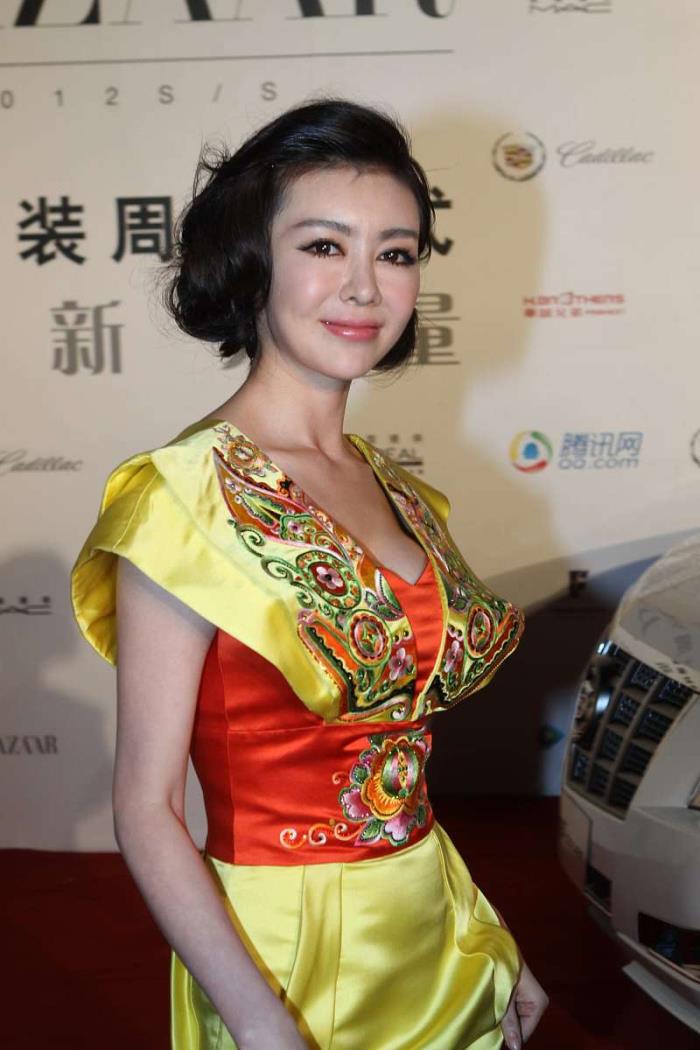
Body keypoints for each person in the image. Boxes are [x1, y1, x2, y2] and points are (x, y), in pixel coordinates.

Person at [71, 98, 549, 1050]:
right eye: (325, 246)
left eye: (396, 252)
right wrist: (260, 1023)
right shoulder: (184, 499)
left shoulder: (396, 488)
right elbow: (145, 809)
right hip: (286, 961)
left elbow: (396, 772)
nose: (365, 286)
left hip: (436, 938)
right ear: (253, 262)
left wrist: (491, 935)